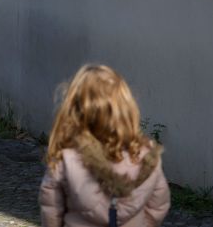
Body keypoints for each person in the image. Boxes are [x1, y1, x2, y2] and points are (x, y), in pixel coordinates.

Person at [39, 64, 171, 227]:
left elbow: (51, 208)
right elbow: (158, 205)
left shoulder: (66, 158)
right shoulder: (146, 156)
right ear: (126, 108)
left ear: (75, 109)